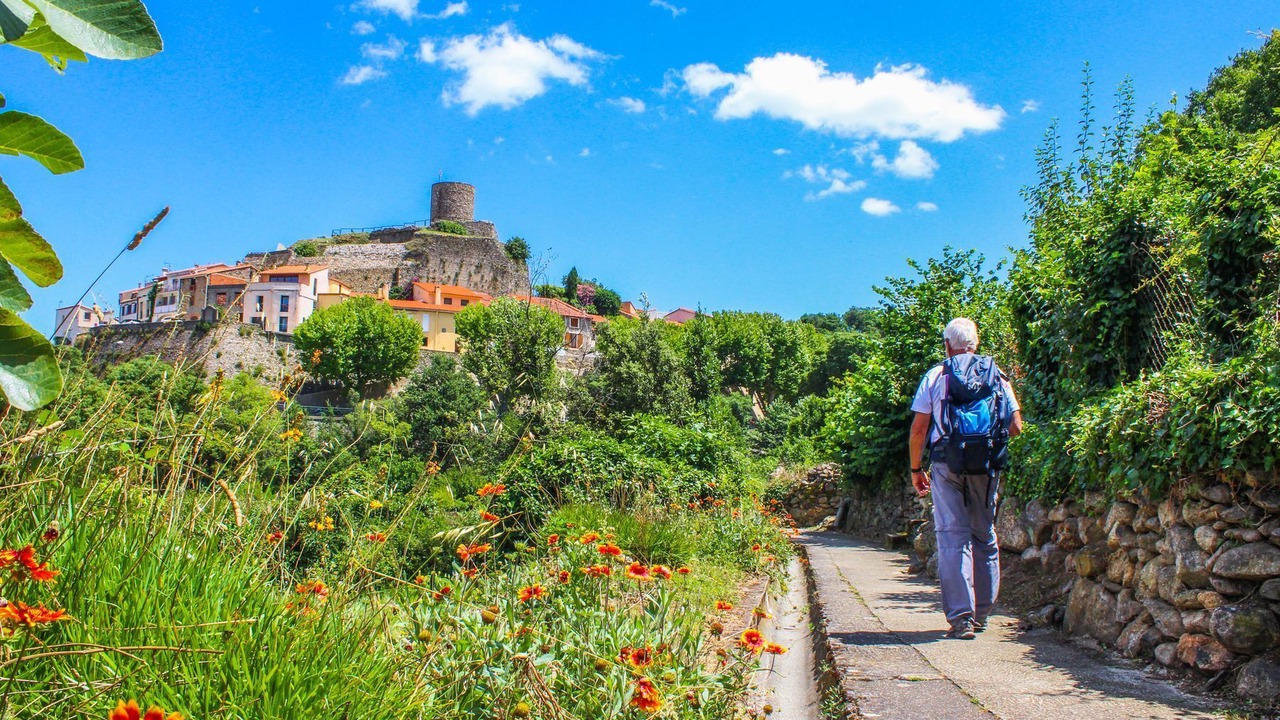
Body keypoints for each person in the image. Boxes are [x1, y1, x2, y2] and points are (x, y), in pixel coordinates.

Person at [908, 317, 1023, 639]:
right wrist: (986, 442)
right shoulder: (997, 375)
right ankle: (982, 615)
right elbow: (1016, 426)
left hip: (947, 465)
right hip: (986, 467)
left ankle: (961, 619)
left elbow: (919, 429)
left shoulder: (936, 375)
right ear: (976, 343)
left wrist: (916, 469)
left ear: (947, 345)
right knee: (984, 535)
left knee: (952, 537)